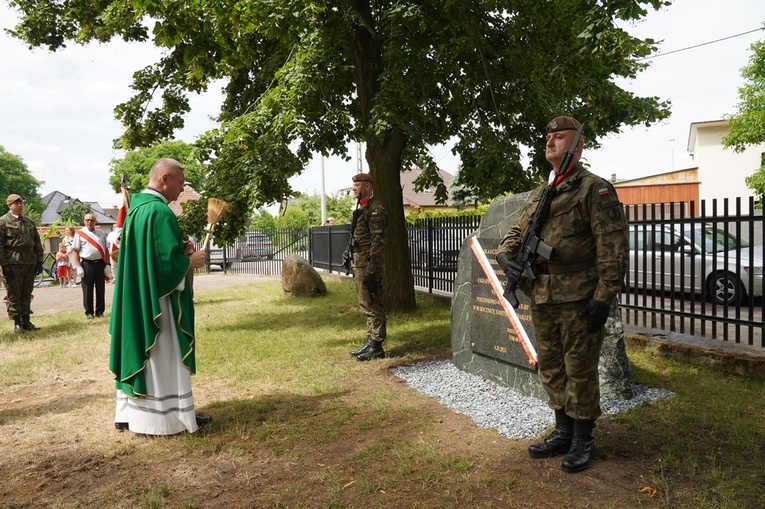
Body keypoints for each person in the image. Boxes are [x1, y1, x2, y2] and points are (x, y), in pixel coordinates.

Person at [496, 116, 628, 473]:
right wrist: (507, 254)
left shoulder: (594, 190)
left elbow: (613, 251)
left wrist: (603, 298)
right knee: (552, 367)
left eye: (559, 136)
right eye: (548, 135)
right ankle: (563, 430)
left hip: (579, 297)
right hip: (542, 294)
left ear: (578, 144)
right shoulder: (543, 191)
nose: (550, 140)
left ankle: (584, 438)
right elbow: (517, 230)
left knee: (579, 369)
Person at [109, 158, 208, 435]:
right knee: (164, 352)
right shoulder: (160, 212)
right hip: (158, 301)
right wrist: (190, 261)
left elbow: (149, 257)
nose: (182, 188)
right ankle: (167, 418)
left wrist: (181, 249)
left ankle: (130, 414)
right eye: (180, 182)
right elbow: (164, 266)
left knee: (142, 348)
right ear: (165, 178)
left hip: (138, 295)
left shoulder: (137, 210)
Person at [347, 173, 388, 361]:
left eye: (357, 185)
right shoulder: (363, 208)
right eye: (353, 185)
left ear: (368, 187)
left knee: (374, 303)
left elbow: (378, 241)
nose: (354, 188)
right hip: (361, 261)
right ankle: (371, 341)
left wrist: (372, 268)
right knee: (365, 303)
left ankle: (377, 346)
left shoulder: (375, 210)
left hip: (369, 263)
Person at [0, 194, 44, 333]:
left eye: (21, 203)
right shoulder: (3, 222)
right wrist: (4, 264)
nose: (20, 205)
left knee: (27, 292)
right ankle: (17, 321)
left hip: (29, 261)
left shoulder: (29, 222)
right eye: (16, 203)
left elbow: (37, 242)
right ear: (9, 205)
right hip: (12, 262)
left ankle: (26, 320)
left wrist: (39, 261)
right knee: (14, 292)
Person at [71, 213, 111, 319]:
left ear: (95, 221)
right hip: (87, 264)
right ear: (84, 221)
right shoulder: (79, 233)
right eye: (87, 220)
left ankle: (100, 311)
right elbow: (75, 251)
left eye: (92, 220)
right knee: (87, 289)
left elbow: (106, 249)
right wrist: (78, 266)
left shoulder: (101, 233)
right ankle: (89, 312)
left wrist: (107, 264)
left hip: (100, 264)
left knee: (100, 288)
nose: (90, 222)